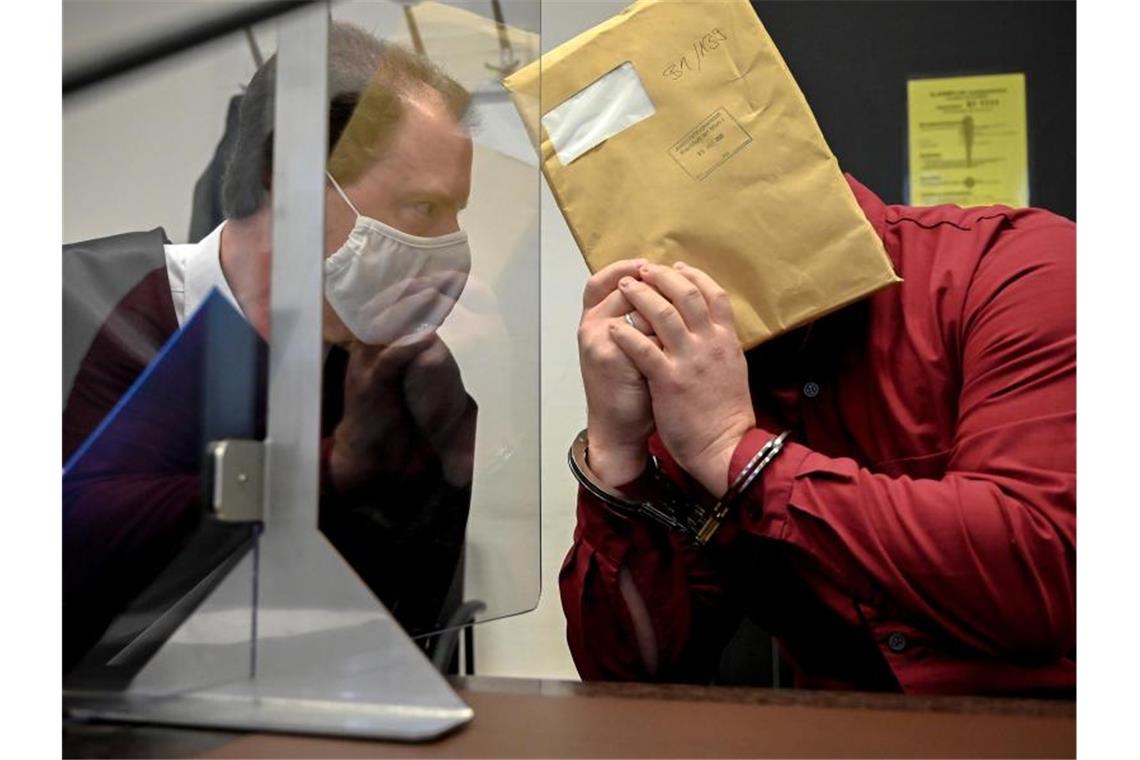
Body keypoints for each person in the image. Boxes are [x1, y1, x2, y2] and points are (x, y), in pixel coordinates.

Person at [63, 23, 478, 673]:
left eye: (456, 211)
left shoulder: (399, 375)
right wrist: (330, 469)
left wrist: (444, 457)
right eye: (421, 208)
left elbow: (407, 626)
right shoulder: (81, 315)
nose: (451, 249)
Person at [564, 174, 1076, 697]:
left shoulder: (1015, 264)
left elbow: (1043, 582)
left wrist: (735, 454)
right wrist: (615, 448)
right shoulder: (698, 363)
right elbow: (633, 681)